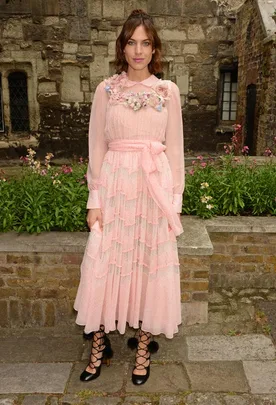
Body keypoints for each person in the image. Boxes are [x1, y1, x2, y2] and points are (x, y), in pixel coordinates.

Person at [74, 9, 185, 386]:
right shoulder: (106, 90)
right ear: (122, 47)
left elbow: (175, 150)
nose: (138, 50)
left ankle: (143, 347)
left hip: (153, 190)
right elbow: (96, 148)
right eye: (131, 42)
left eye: (146, 43)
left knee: (147, 264)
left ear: (154, 49)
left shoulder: (167, 92)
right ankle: (99, 344)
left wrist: (174, 202)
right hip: (115, 186)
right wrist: (94, 200)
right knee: (106, 262)